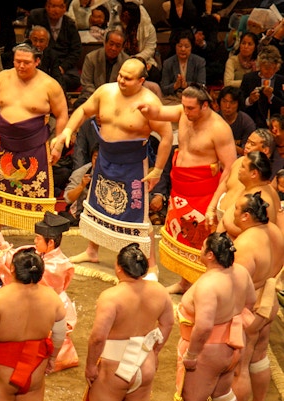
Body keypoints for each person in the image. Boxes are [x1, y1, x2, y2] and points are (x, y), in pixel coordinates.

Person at [53, 58, 172, 276]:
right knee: (96, 203)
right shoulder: (105, 91)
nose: (121, 80)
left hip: (133, 164)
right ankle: (92, 251)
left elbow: (166, 136)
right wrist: (68, 130)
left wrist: (158, 170)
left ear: (141, 80)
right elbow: (83, 111)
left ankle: (151, 266)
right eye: (120, 75)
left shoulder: (149, 102)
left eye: (128, 78)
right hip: (105, 158)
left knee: (139, 214)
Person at [137, 84, 236, 292]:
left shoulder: (219, 128)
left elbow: (229, 169)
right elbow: (160, 112)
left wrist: (212, 205)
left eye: (191, 108)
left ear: (205, 105)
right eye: (184, 106)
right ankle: (184, 282)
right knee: (180, 237)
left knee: (199, 242)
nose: (186, 111)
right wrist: (143, 106)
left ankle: (202, 288)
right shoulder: (184, 113)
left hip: (204, 191)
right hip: (180, 186)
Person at [0, 43, 68, 244]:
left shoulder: (50, 85)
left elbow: (61, 115)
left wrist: (58, 144)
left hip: (34, 145)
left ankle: (42, 237)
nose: (21, 66)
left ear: (37, 61)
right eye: (17, 61)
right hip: (4, 143)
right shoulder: (2, 77)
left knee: (38, 190)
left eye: (26, 62)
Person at [0, 212, 79, 372]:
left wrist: (5, 256)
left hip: (46, 306)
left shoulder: (57, 266)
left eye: (38, 238)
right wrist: (3, 245)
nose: (34, 241)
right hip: (37, 301)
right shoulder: (40, 254)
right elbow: (22, 258)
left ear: (51, 243)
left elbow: (24, 270)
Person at [0, 248, 66, 401]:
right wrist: (52, 359)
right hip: (35, 373)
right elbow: (60, 335)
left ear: (12, 269)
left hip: (1, 376)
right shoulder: (53, 298)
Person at [84, 243, 173, 401]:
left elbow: (98, 337)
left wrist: (90, 366)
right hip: (146, 365)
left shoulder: (111, 297)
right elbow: (167, 324)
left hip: (114, 369)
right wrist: (155, 352)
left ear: (119, 267)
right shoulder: (160, 291)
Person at [174, 232, 256, 401]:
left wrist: (191, 355)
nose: (200, 249)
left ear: (210, 255)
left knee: (193, 398)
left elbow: (204, 327)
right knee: (222, 395)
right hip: (234, 345)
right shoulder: (241, 272)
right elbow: (250, 303)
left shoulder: (208, 285)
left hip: (208, 351)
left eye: (203, 247)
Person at [231, 193, 284, 401]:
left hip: (250, 309)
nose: (232, 213)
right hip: (269, 303)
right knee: (259, 356)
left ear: (245, 216)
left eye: (235, 209)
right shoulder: (274, 231)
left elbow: (237, 288)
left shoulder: (244, 245)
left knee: (239, 366)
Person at [26, 0, 81, 91]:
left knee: (74, 79)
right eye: (53, 6)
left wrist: (63, 67)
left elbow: (76, 50)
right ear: (46, 6)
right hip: (41, 60)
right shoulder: (36, 17)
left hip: (62, 63)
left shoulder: (70, 24)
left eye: (60, 7)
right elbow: (29, 40)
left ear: (65, 8)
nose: (56, 10)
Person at [75, 29, 129, 109]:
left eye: (117, 46)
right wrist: (101, 99)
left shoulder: (126, 61)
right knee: (79, 105)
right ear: (105, 43)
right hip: (92, 96)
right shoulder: (91, 58)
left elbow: (126, 86)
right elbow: (86, 84)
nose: (113, 48)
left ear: (122, 48)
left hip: (116, 99)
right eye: (111, 44)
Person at [241, 46, 284, 128]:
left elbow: (282, 104)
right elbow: (240, 102)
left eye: (274, 68)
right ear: (259, 65)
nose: (270, 72)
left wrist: (271, 96)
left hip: (276, 124)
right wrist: (250, 100)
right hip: (252, 122)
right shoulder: (248, 78)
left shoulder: (281, 80)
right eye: (267, 68)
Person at [160, 30, 206, 98]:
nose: (183, 49)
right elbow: (163, 88)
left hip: (193, 98)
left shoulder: (199, 62)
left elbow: (202, 86)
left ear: (191, 47)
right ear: (175, 46)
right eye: (180, 46)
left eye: (187, 46)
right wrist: (175, 86)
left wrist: (187, 85)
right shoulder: (168, 63)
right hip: (173, 98)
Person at [217, 86, 256, 155]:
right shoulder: (212, 119)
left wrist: (227, 144)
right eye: (224, 101)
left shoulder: (247, 123)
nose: (227, 106)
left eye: (232, 102)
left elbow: (247, 153)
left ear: (238, 104)